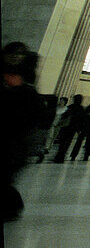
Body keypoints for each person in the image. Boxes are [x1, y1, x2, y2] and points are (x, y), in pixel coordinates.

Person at [1, 41, 40, 222]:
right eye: (13, 53)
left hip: (15, 135)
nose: (16, 57)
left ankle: (12, 206)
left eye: (20, 54)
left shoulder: (27, 79)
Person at [52, 95, 85, 163]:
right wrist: (79, 129)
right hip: (73, 128)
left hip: (66, 126)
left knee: (62, 142)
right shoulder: (81, 109)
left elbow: (64, 116)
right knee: (67, 143)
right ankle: (62, 157)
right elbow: (82, 120)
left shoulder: (70, 107)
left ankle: (58, 156)